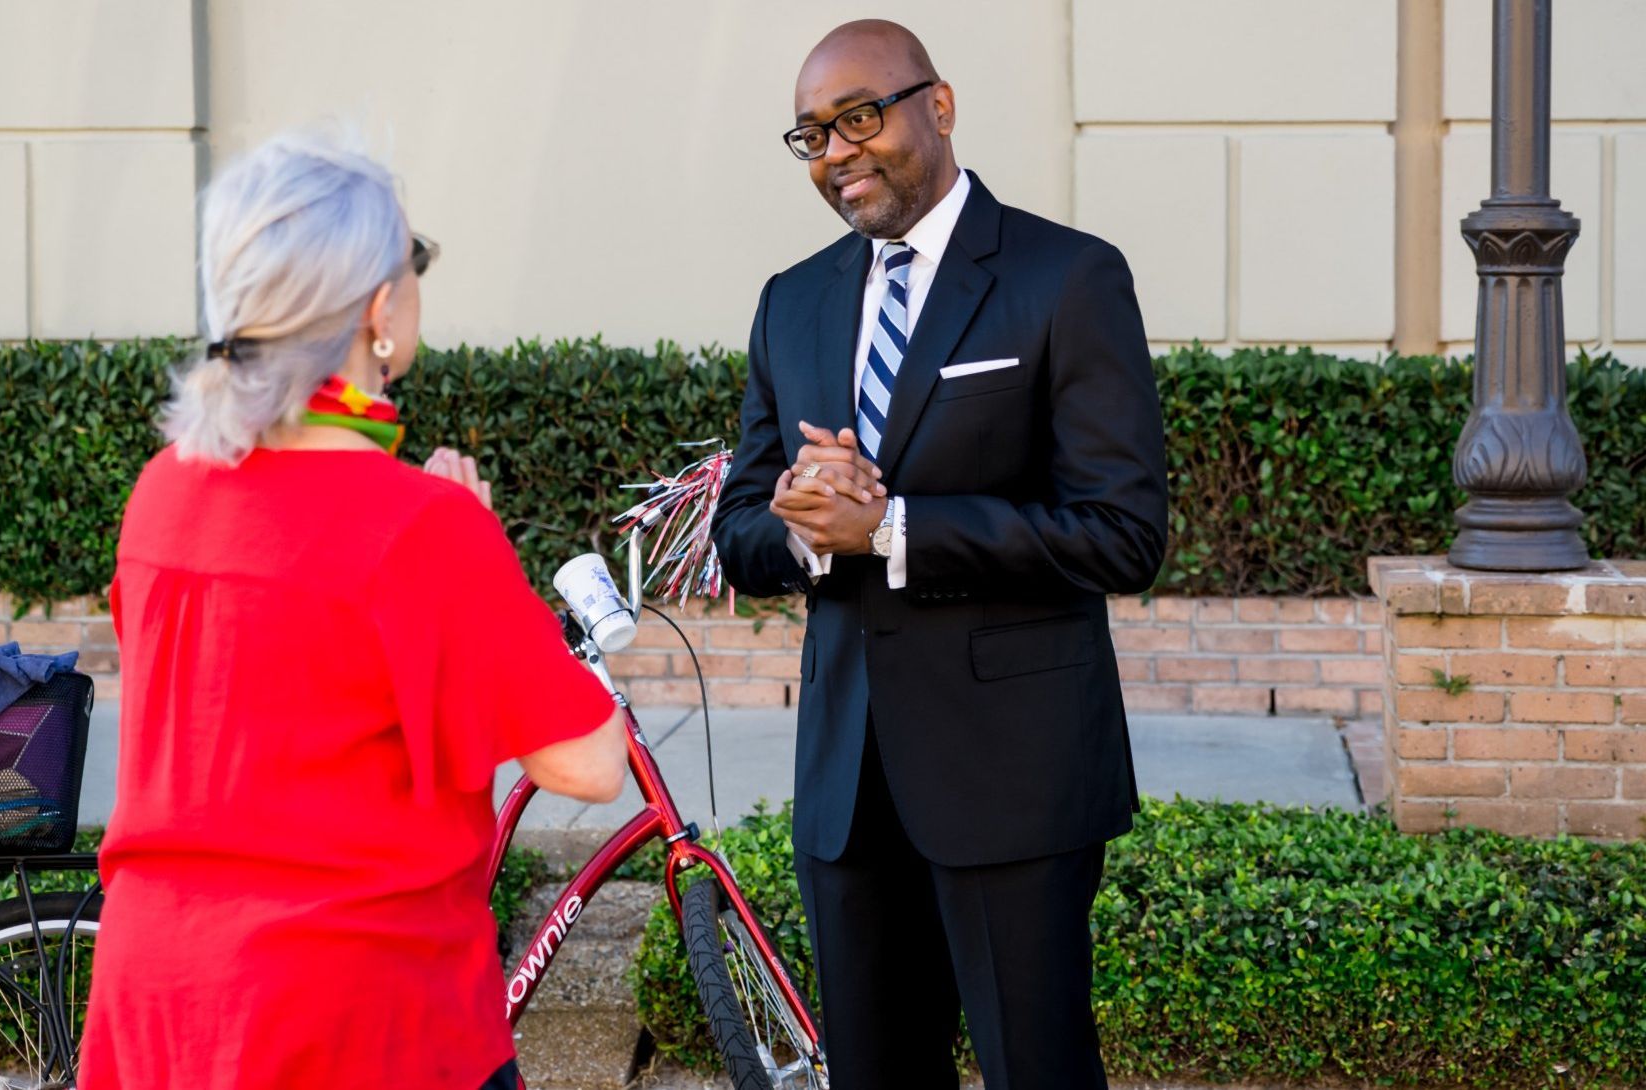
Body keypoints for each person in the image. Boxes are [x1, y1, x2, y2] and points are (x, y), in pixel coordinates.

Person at [77, 123, 627, 1090]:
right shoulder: (424, 529)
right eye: (412, 260)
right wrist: (481, 559)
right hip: (356, 1017)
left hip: (158, 1003)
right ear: (379, 308)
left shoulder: (160, 491)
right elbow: (589, 764)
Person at [710, 20, 1168, 1090]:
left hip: (1015, 774)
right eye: (812, 135)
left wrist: (899, 527)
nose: (837, 152)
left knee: (1035, 1070)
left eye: (859, 117)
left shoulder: (1067, 277)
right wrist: (801, 523)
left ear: (940, 105)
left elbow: (1123, 532)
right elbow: (740, 531)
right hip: (846, 785)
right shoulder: (793, 300)